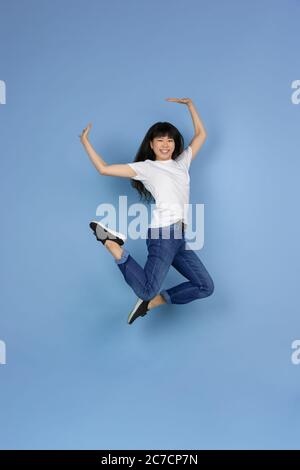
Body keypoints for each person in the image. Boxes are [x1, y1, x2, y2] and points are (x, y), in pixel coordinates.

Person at [80, 97, 214, 325]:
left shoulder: (182, 163)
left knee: (205, 286)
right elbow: (104, 169)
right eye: (160, 140)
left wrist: (190, 105)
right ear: (151, 144)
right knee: (145, 289)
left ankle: (151, 304)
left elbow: (201, 135)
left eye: (170, 140)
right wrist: (85, 142)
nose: (165, 144)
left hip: (178, 237)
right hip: (163, 235)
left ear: (175, 144)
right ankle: (113, 245)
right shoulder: (146, 168)